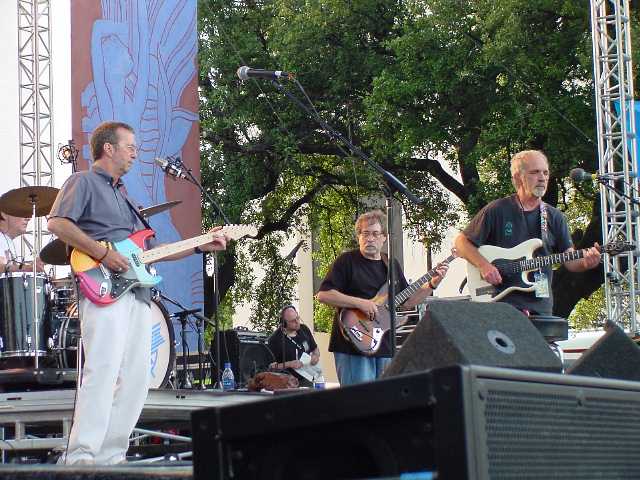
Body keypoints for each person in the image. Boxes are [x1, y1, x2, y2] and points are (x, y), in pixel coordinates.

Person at [47, 121, 228, 465]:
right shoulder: (82, 181)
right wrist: (101, 253)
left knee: (135, 379)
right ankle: (81, 456)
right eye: (130, 146)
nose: (135, 153)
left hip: (137, 295)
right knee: (102, 370)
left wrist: (202, 244)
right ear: (108, 148)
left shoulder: (126, 196)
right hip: (103, 289)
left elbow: (153, 249)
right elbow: (57, 223)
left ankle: (112, 456)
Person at [454, 149, 601, 315]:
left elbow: (570, 260)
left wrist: (586, 263)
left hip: (540, 306)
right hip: (501, 303)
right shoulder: (497, 209)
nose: (542, 178)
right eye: (535, 172)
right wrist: (484, 265)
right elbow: (461, 242)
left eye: (545, 172)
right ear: (518, 177)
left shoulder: (555, 217)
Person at [316, 209, 448, 386]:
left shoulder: (391, 264)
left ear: (384, 237)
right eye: (365, 234)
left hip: (384, 345)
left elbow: (408, 301)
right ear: (358, 237)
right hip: (353, 343)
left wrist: (432, 284)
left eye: (375, 234)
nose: (370, 238)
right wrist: (360, 303)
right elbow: (324, 295)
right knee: (360, 402)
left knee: (383, 402)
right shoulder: (346, 261)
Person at [267, 305, 320, 387]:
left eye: (297, 318)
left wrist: (315, 356)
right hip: (287, 382)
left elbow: (315, 348)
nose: (297, 322)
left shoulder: (304, 329)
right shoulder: (275, 339)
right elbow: (270, 367)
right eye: (292, 321)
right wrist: (289, 364)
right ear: (284, 323)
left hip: (308, 377)